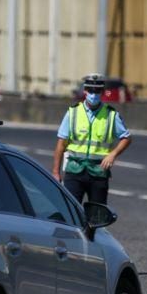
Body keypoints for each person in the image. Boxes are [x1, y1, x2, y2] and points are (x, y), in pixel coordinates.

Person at [52, 73, 132, 205]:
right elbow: (61, 144)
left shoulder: (111, 114)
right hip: (74, 170)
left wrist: (113, 154)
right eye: (90, 90)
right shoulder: (73, 113)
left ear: (102, 92)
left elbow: (126, 138)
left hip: (98, 172)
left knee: (97, 215)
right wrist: (56, 172)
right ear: (85, 91)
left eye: (97, 91)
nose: (93, 94)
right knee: (72, 211)